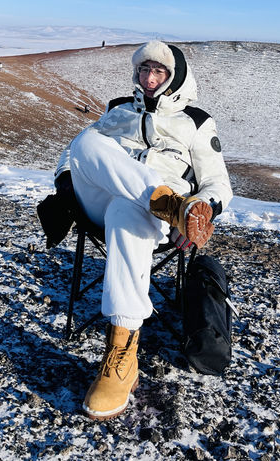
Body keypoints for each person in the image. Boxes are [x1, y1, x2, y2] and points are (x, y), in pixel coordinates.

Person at [44, 41, 232, 421]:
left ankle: (123, 355)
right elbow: (74, 155)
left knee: (127, 212)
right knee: (85, 141)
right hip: (100, 202)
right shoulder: (117, 110)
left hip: (138, 217)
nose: (149, 78)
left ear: (174, 76)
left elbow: (219, 185)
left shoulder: (196, 122)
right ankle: (170, 204)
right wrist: (66, 182)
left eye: (159, 72)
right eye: (144, 70)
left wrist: (204, 211)